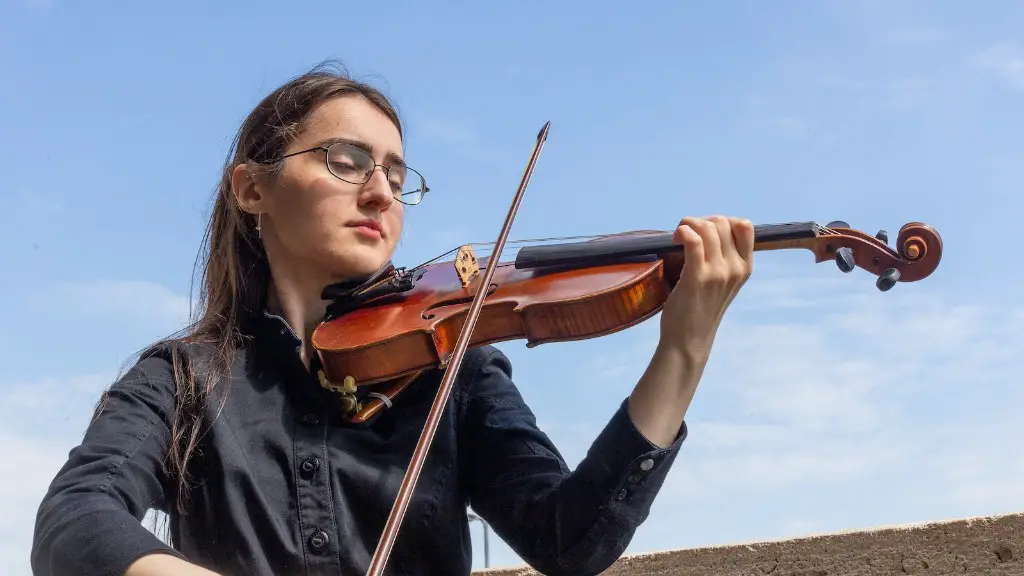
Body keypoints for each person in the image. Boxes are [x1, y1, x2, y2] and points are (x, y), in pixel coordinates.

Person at [30, 62, 754, 576]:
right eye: (347, 160)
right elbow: (74, 521)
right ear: (252, 188)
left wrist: (683, 350)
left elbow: (571, 541)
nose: (380, 192)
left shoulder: (456, 366)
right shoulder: (183, 379)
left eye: (397, 176)